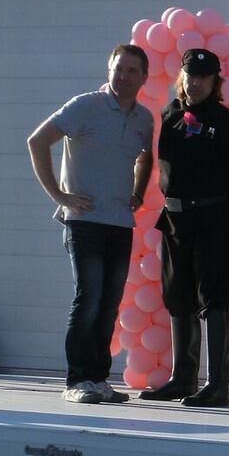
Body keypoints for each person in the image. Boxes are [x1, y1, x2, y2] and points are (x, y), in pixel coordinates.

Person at [27, 44, 154, 404]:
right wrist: (59, 194)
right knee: (89, 296)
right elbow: (37, 141)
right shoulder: (86, 106)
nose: (124, 76)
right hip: (84, 221)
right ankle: (77, 380)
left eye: (132, 70)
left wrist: (138, 191)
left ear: (144, 77)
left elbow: (146, 156)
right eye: (118, 68)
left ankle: (98, 379)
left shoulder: (144, 118)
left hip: (120, 222)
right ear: (109, 70)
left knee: (110, 302)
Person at [140, 49, 229, 407]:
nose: (196, 82)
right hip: (176, 219)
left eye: (204, 77)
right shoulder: (170, 113)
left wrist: (228, 219)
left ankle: (217, 385)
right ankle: (182, 378)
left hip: (211, 219)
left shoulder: (228, 122)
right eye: (191, 75)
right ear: (182, 77)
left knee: (214, 299)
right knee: (178, 297)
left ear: (215, 81)